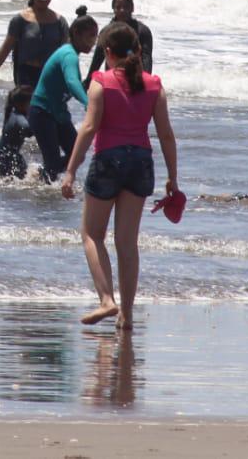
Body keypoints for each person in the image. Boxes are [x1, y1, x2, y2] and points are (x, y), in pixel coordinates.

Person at [62, 21, 179, 331]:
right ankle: (126, 316)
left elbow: (89, 128)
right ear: (139, 51)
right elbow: (166, 135)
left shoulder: (101, 81)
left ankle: (106, 300)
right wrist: (173, 177)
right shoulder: (154, 84)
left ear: (107, 53)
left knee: (91, 234)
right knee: (127, 244)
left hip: (108, 162)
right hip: (141, 163)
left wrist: (70, 171)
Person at [26, 8, 100, 182]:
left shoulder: (70, 53)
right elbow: (72, 82)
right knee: (53, 164)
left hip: (57, 113)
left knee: (78, 154)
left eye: (95, 36)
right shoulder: (69, 55)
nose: (94, 41)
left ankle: (39, 178)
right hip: (42, 112)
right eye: (90, 36)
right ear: (76, 33)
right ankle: (40, 188)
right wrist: (88, 103)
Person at [0, 0, 68, 91]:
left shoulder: (60, 21)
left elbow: (66, 53)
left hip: (50, 75)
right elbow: (6, 47)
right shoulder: (20, 20)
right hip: (25, 74)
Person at [88, 0, 154, 74]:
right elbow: (97, 60)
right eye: (118, 7)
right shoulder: (106, 32)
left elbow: (146, 58)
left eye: (126, 7)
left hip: (135, 80)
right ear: (113, 8)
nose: (122, 10)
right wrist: (88, 80)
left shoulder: (142, 31)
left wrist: (146, 81)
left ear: (132, 8)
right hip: (112, 80)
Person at [0, 85, 35, 179]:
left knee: (19, 177)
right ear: (22, 105)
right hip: (5, 156)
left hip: (7, 154)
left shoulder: (13, 113)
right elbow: (27, 127)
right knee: (15, 179)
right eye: (32, 103)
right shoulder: (18, 117)